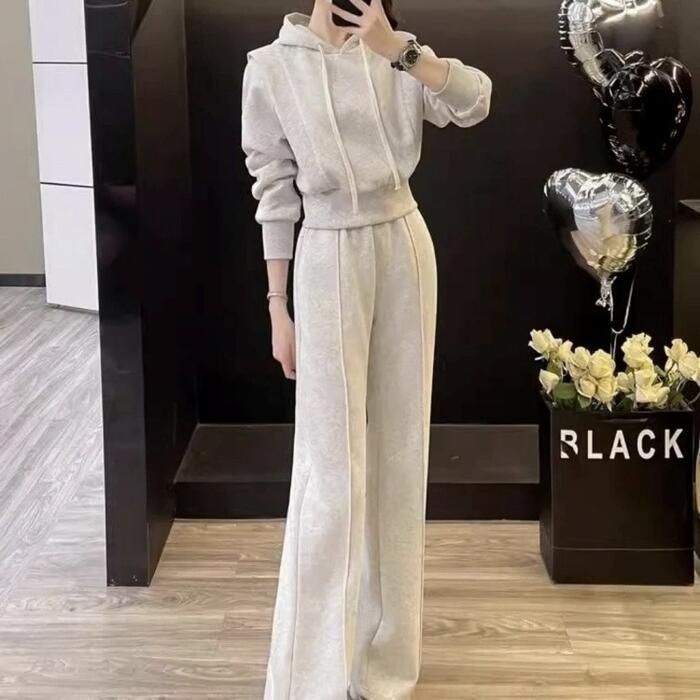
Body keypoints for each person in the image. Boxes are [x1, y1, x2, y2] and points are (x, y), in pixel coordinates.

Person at [241, 1, 492, 697]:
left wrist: (398, 50)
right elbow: (273, 191)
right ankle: (310, 678)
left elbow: (475, 101)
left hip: (404, 243)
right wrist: (277, 307)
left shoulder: (395, 52)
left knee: (402, 455)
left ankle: (384, 668)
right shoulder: (270, 68)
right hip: (326, 253)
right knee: (331, 472)